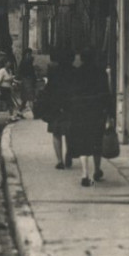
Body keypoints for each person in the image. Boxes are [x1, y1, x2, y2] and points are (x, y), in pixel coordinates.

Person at [68, 48, 111, 187]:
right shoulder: (101, 73)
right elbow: (106, 94)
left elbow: (71, 94)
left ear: (83, 58)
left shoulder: (76, 73)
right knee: (96, 141)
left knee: (82, 142)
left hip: (80, 111)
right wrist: (110, 113)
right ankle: (97, 170)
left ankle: (85, 174)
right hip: (97, 111)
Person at [40, 51, 75, 169]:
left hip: (55, 106)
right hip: (70, 106)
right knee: (70, 133)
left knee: (56, 133)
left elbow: (49, 89)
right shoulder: (74, 71)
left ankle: (59, 160)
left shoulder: (54, 71)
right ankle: (69, 154)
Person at [0, 55, 21, 120]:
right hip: (3, 89)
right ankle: (11, 116)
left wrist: (17, 82)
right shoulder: (1, 71)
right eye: (8, 63)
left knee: (13, 102)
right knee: (10, 102)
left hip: (9, 88)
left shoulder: (10, 71)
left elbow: (11, 79)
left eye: (10, 63)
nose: (9, 64)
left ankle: (12, 115)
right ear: (5, 63)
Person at [18, 47, 37, 114]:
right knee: (30, 96)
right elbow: (30, 71)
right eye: (29, 54)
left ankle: (20, 111)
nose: (30, 55)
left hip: (26, 79)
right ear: (27, 54)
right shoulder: (26, 61)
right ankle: (34, 112)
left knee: (25, 97)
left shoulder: (24, 61)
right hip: (27, 79)